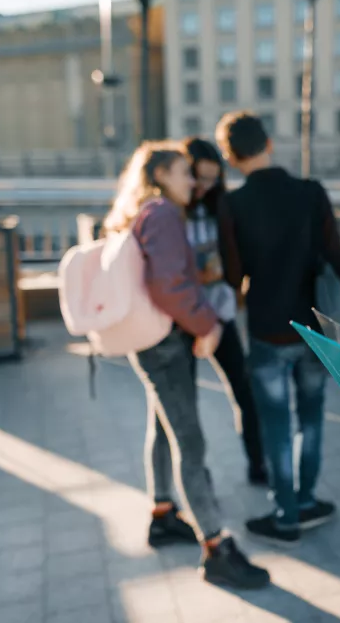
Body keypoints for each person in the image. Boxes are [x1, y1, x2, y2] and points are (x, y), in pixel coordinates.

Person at [104, 141, 270, 590]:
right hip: (165, 343)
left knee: (163, 428)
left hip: (151, 340)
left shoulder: (141, 210)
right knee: (190, 443)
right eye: (183, 172)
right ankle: (216, 547)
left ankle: (163, 514)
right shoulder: (162, 212)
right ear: (160, 175)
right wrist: (207, 324)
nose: (192, 181)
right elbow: (169, 283)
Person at [215, 112, 340, 545]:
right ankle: (306, 500)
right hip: (314, 329)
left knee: (275, 424)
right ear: (269, 143)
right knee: (311, 417)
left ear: (231, 158)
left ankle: (285, 514)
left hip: (268, 329)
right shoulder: (311, 193)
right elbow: (337, 259)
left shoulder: (232, 205)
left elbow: (233, 276)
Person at [182, 137, 267, 487]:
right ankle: (191, 481)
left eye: (212, 178)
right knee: (183, 404)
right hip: (182, 317)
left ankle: (258, 464)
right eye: (199, 177)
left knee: (244, 389)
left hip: (219, 312)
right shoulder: (172, 208)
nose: (204, 185)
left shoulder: (223, 206)